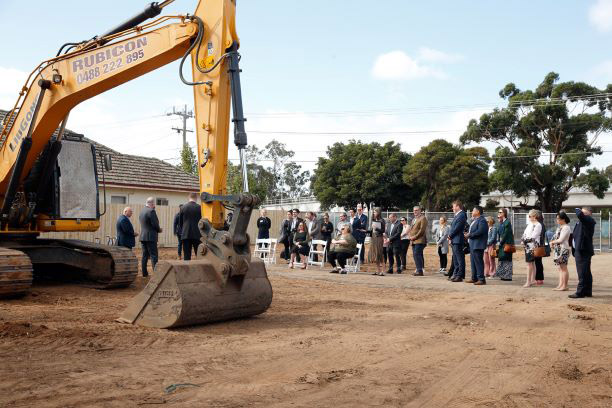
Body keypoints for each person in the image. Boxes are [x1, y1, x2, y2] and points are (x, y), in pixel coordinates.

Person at [570, 207, 596, 298]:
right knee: (586, 272)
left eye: (584, 212)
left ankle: (580, 292)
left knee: (582, 272)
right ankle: (587, 291)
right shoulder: (582, 221)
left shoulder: (589, 220)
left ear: (589, 213)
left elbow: (580, 215)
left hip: (583, 250)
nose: (581, 213)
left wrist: (577, 209)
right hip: (580, 249)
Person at [139, 197, 162, 277]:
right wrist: (159, 229)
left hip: (143, 236)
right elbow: (155, 224)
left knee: (145, 255)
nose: (154, 205)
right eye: (154, 204)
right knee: (153, 255)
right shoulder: (151, 211)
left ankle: (144, 273)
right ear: (151, 203)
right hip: (150, 237)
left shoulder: (142, 211)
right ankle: (156, 274)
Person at [465, 206, 488, 285]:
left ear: (478, 212)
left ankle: (481, 279)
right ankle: (474, 278)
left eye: (473, 210)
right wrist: (468, 234)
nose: (472, 211)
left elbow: (480, 231)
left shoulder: (482, 220)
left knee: (478, 262)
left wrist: (470, 235)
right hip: (473, 244)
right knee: (473, 262)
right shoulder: (475, 220)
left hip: (478, 244)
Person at [549, 210, 571, 291]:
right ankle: (560, 285)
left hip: (564, 249)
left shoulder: (566, 227)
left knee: (563, 268)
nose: (557, 220)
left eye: (558, 219)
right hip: (558, 250)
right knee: (560, 268)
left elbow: (561, 240)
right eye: (557, 219)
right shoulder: (560, 227)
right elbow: (556, 238)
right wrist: (552, 242)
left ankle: (565, 286)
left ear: (563, 219)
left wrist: (552, 242)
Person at [521, 209, 542, 288]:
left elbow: (534, 236)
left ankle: (528, 281)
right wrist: (522, 240)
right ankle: (532, 280)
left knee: (529, 264)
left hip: (532, 246)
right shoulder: (530, 224)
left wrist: (525, 241)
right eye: (528, 216)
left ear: (535, 216)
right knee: (531, 263)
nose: (529, 217)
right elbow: (524, 233)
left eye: (530, 216)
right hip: (527, 246)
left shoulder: (538, 225)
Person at [449, 201, 467, 282]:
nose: (452, 208)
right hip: (454, 239)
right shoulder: (458, 215)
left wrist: (450, 235)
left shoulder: (462, 214)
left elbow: (458, 227)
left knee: (459, 259)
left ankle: (460, 275)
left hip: (458, 239)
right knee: (455, 259)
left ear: (458, 207)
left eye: (454, 206)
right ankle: (456, 274)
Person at [180, 192, 202, 261]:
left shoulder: (183, 208)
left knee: (186, 256)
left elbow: (180, 222)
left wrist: (182, 231)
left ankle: (187, 270)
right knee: (199, 255)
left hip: (185, 234)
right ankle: (200, 270)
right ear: (196, 198)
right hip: (197, 234)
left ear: (188, 198)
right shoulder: (200, 208)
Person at [494, 208, 514, 281]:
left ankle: (508, 276)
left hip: (506, 244)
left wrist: (501, 242)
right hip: (502, 244)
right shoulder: (502, 223)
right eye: (498, 212)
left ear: (504, 213)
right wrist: (500, 222)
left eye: (500, 212)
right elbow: (499, 232)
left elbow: (505, 234)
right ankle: (503, 275)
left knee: (507, 259)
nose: (499, 213)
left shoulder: (507, 222)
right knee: (502, 258)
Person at [409, 206, 428, 276]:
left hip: (420, 240)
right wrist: (411, 238)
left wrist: (414, 237)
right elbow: (412, 229)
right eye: (414, 210)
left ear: (420, 210)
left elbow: (422, 230)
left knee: (417, 254)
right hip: (414, 240)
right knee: (415, 255)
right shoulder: (414, 219)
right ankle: (418, 269)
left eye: (416, 210)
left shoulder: (423, 218)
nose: (415, 212)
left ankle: (420, 270)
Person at [368, 208, 385, 275]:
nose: (373, 213)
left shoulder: (382, 220)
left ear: (378, 213)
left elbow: (383, 230)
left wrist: (376, 228)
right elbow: (372, 230)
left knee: (380, 254)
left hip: (379, 238)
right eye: (373, 212)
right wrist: (366, 231)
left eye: (375, 212)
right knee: (375, 254)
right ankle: (378, 270)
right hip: (373, 238)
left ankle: (383, 271)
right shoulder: (374, 220)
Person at [533, 211, 547, 285]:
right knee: (538, 262)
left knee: (538, 262)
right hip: (539, 245)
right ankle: (539, 278)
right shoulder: (541, 224)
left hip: (538, 245)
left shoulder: (539, 224)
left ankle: (539, 278)